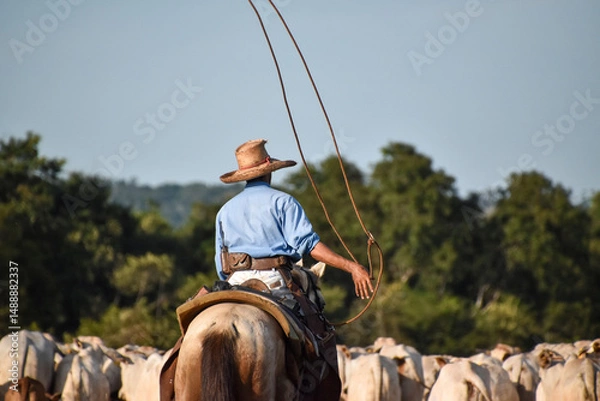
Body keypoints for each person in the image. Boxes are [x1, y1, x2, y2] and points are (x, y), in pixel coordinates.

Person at [215, 138, 373, 301]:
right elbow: (310, 245)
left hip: (235, 281)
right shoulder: (283, 201)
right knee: (308, 319)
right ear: (269, 171)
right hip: (272, 280)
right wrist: (352, 267)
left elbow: (221, 263)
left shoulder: (224, 211)